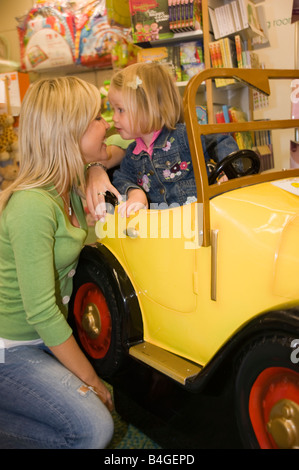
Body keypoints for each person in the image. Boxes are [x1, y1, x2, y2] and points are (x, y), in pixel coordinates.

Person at [0, 76, 115, 449]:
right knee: (93, 429)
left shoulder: (71, 181)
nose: (107, 124)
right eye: (97, 118)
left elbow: (127, 143)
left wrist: (96, 167)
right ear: (68, 133)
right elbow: (42, 314)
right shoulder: (33, 206)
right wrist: (94, 383)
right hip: (12, 349)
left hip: (42, 340)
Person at [86, 62, 239, 219]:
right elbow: (122, 178)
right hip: (166, 230)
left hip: (202, 220)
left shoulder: (184, 136)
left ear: (149, 107)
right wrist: (135, 193)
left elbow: (220, 141)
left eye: (120, 110)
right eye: (114, 110)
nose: (114, 118)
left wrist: (231, 169)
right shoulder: (133, 154)